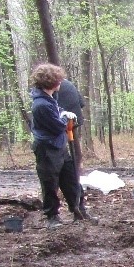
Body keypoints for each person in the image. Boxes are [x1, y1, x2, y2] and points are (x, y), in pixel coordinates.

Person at [29, 64, 83, 228]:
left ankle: (79, 210)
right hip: (47, 149)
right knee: (50, 182)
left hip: (59, 145)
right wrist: (65, 118)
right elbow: (58, 126)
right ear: (51, 82)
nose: (61, 82)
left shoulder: (49, 98)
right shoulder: (41, 105)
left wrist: (62, 112)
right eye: (58, 79)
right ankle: (52, 216)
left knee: (70, 178)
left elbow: (57, 113)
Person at [55, 77, 93, 219]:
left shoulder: (57, 89)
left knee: (64, 170)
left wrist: (65, 118)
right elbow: (82, 103)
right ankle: (78, 206)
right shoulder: (67, 84)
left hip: (64, 129)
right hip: (68, 125)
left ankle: (75, 206)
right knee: (70, 165)